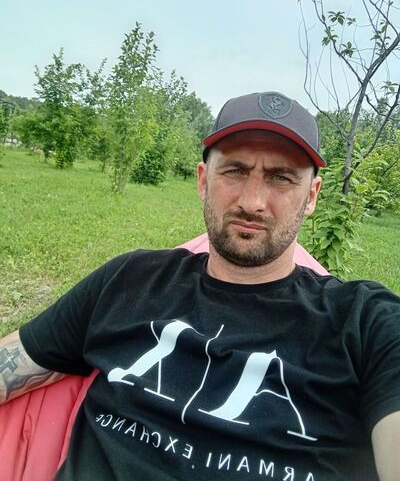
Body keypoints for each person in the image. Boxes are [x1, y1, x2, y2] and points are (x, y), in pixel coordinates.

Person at [1, 91, 399, 481]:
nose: (252, 202)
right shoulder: (130, 280)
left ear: (311, 196)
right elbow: (16, 360)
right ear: (203, 180)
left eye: (280, 178)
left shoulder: (366, 324)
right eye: (235, 171)